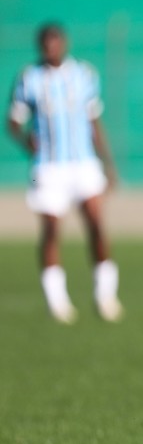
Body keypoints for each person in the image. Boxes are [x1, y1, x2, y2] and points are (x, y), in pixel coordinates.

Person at [6, 23, 123, 324]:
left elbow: (94, 121)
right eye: (46, 43)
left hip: (84, 162)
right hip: (46, 167)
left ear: (64, 43)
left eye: (55, 42)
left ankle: (105, 294)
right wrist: (26, 140)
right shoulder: (29, 78)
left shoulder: (84, 74)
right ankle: (56, 300)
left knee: (96, 222)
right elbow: (13, 121)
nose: (51, 48)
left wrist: (107, 163)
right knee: (51, 229)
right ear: (40, 46)